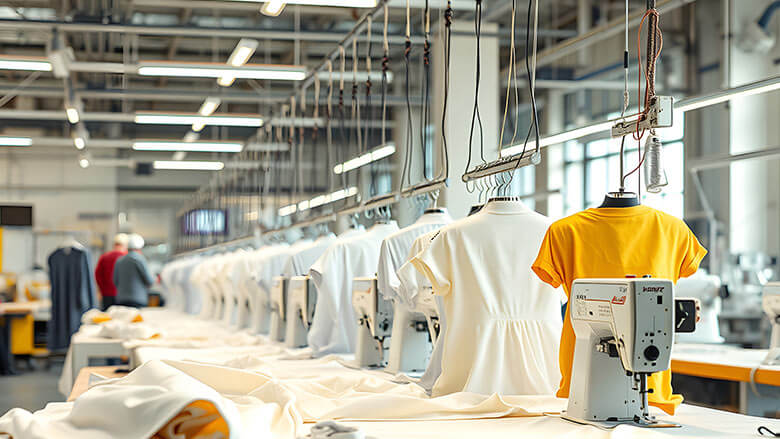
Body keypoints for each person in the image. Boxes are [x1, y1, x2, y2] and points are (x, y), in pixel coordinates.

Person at [113, 234, 154, 308]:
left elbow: (115, 281)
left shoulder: (119, 260)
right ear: (139, 248)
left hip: (121, 299)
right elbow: (149, 281)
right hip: (138, 300)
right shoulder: (139, 259)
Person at [94, 234, 128, 311]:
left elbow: (98, 275)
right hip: (123, 295)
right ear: (125, 245)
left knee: (107, 315)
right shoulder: (126, 258)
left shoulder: (104, 257)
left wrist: (102, 290)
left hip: (107, 294)